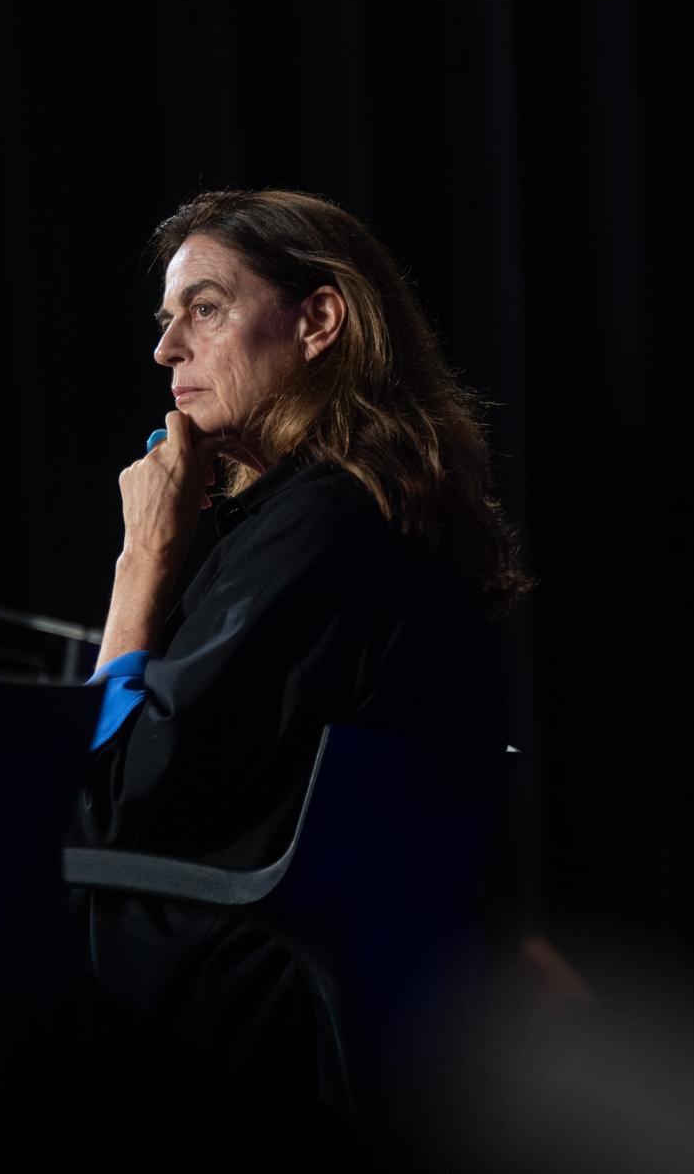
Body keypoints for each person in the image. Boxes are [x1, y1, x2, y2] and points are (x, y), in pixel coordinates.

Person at [69, 189, 535, 1119]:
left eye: (205, 308)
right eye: (166, 320)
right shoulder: (368, 506)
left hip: (228, 1006)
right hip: (313, 994)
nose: (167, 350)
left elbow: (109, 806)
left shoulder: (324, 524)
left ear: (319, 320)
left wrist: (143, 560)